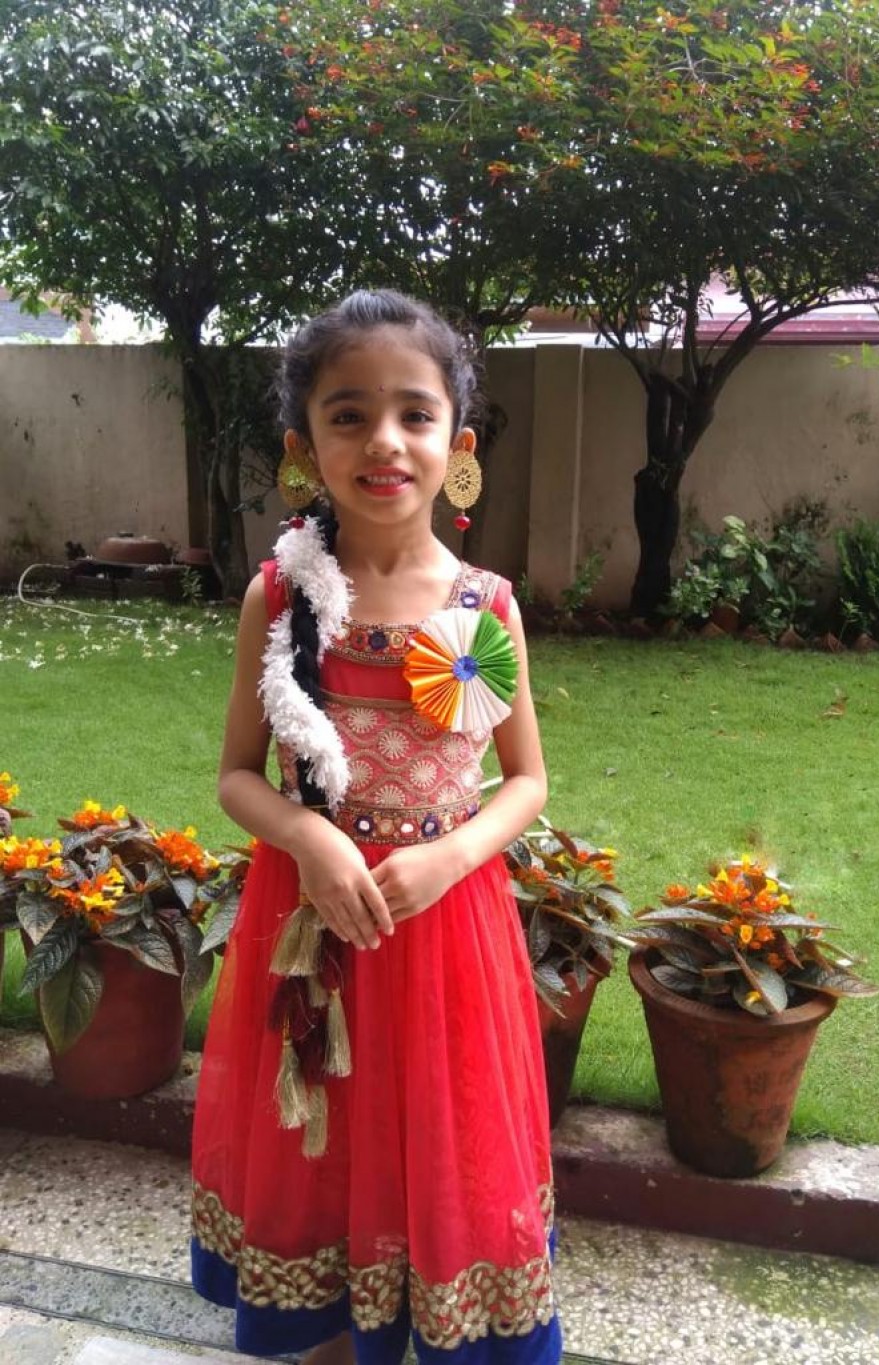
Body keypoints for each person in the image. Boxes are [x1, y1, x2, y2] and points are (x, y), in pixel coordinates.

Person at [190, 289, 562, 1365]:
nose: (384, 440)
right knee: (323, 1138)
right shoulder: (279, 596)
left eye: (414, 413)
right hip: (311, 926)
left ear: (459, 447)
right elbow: (236, 777)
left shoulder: (485, 605)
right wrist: (310, 837)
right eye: (348, 415)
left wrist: (450, 854)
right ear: (302, 448)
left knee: (441, 1136)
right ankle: (330, 1336)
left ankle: (431, 1319)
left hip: (446, 930)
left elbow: (527, 782)